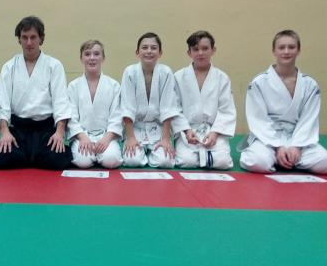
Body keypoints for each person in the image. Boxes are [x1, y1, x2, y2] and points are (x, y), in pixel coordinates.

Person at [239, 29, 327, 174]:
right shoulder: (259, 82)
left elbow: (309, 119)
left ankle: (287, 158)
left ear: (298, 50)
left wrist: (297, 146)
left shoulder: (310, 84)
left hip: (297, 137)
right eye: (281, 47)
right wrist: (278, 146)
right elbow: (258, 118)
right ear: (274, 51)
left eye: (291, 47)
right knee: (259, 161)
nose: (286, 51)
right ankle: (282, 157)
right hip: (267, 138)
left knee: (325, 162)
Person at [0, 15, 72, 170]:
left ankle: (30, 155)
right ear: (19, 39)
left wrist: (59, 132)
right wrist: (5, 131)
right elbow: (2, 103)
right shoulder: (9, 67)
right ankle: (32, 155)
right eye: (24, 37)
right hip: (18, 129)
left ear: (41, 38)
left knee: (57, 160)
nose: (29, 42)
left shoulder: (54, 66)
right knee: (1, 158)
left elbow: (61, 102)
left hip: (45, 129)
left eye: (33, 37)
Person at [173, 31, 236, 169]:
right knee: (186, 162)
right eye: (196, 49)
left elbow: (226, 110)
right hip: (189, 131)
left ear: (213, 50)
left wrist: (215, 133)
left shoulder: (222, 78)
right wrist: (186, 131)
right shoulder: (178, 77)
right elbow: (175, 108)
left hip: (213, 130)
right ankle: (200, 154)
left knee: (222, 162)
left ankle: (208, 153)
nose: (200, 53)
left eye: (205, 48)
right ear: (189, 53)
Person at [120, 32, 181, 168]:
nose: (149, 51)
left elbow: (168, 107)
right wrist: (130, 138)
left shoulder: (166, 72)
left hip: (158, 128)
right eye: (144, 47)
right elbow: (127, 107)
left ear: (160, 53)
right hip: (135, 127)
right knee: (132, 161)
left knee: (165, 161)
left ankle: (151, 152)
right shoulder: (130, 72)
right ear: (137, 52)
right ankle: (142, 152)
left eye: (153, 48)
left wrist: (165, 139)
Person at [66, 40, 123, 169]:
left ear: (103, 58)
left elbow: (117, 116)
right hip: (83, 136)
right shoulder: (73, 86)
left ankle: (102, 154)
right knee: (83, 162)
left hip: (105, 135)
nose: (92, 58)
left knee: (111, 160)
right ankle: (92, 155)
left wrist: (107, 138)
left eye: (96, 54)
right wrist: (82, 137)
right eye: (87, 54)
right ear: (81, 58)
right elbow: (71, 117)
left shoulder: (113, 85)